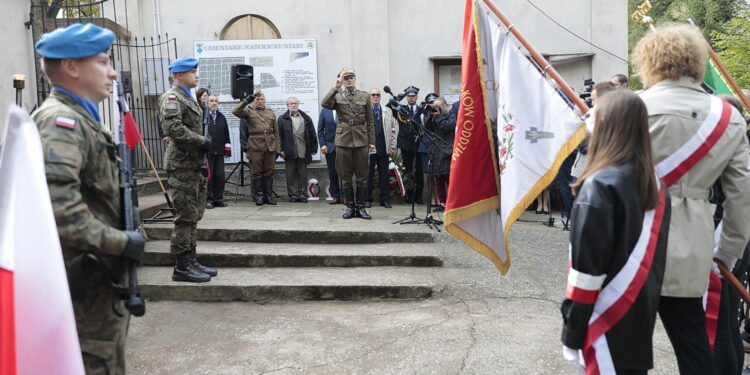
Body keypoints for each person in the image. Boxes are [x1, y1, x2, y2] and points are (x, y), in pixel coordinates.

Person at [633, 24, 750, 375]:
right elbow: (742, 195)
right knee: (697, 348)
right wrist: (727, 252)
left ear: (648, 60)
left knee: (627, 350)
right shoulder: (729, 118)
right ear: (697, 61)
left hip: (634, 246)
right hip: (693, 247)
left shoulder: (629, 107)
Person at [33, 22, 146, 373]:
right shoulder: (60, 122)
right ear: (71, 67)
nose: (113, 73)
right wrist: (121, 241)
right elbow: (60, 211)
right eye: (103, 62)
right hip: (83, 286)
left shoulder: (81, 118)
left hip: (96, 283)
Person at [561, 90, 670, 374]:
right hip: (637, 320)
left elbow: (586, 274)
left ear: (605, 124)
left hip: (604, 324)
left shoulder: (599, 186)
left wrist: (572, 334)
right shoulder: (655, 182)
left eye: (593, 113)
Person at [159, 57, 217, 283]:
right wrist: (201, 141)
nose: (197, 75)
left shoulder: (188, 98)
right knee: (184, 217)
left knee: (193, 215)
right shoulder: (172, 97)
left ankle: (191, 260)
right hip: (181, 165)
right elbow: (173, 128)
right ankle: (181, 267)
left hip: (193, 164)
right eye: (192, 72)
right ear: (179, 75)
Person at [320, 68, 375, 219]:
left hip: (361, 139)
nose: (349, 80)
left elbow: (370, 121)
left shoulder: (364, 96)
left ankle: (361, 207)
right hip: (343, 140)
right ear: (342, 80)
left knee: (362, 175)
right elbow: (324, 103)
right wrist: (335, 87)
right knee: (345, 175)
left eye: (351, 77)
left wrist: (371, 141)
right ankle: (350, 207)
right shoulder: (337, 95)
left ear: (355, 79)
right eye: (346, 78)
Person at [233, 89, 281, 206]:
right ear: (253, 101)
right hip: (255, 146)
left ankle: (268, 196)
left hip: (270, 146)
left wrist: (278, 149)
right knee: (256, 172)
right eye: (257, 99)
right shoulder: (249, 112)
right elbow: (235, 111)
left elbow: (276, 133)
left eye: (262, 99)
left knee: (269, 172)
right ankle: (258, 196)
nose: (260, 101)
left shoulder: (270, 113)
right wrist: (246, 101)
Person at [570, 81, 616, 182]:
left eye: (594, 99)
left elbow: (581, 139)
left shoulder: (609, 116)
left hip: (593, 173)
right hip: (586, 170)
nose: (592, 103)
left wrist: (576, 118)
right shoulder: (594, 114)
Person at [278, 96, 318, 202]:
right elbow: (279, 136)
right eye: (291, 104)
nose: (294, 105)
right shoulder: (282, 119)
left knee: (302, 174)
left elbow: (312, 133)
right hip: (288, 151)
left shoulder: (305, 117)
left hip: (303, 150)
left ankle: (302, 195)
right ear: (288, 105)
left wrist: (313, 147)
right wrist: (281, 150)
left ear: (298, 104)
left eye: (295, 103)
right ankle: (293, 195)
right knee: (290, 175)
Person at [366, 88, 397, 208]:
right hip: (369, 149)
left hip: (384, 147)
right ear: (369, 97)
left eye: (377, 95)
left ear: (380, 97)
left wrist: (393, 146)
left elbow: (394, 130)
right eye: (373, 94)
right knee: (369, 175)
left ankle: (384, 199)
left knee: (384, 175)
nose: (375, 97)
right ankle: (367, 199)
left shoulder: (387, 111)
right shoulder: (365, 111)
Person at [424, 97, 455, 211]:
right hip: (436, 151)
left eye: (437, 105)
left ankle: (451, 204)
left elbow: (445, 127)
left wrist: (438, 115)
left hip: (447, 151)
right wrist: (430, 115)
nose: (435, 107)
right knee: (439, 179)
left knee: (448, 179)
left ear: (443, 105)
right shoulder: (435, 115)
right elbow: (427, 128)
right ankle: (442, 203)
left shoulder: (451, 115)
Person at [397, 86, 424, 204]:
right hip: (405, 143)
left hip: (418, 142)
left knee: (419, 170)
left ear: (417, 97)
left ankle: (419, 196)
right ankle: (409, 195)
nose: (411, 98)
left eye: (413, 96)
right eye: (408, 96)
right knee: (407, 169)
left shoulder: (421, 109)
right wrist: (399, 98)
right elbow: (388, 107)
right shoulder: (401, 109)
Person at [205, 94, 231, 209]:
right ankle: (209, 200)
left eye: (216, 101)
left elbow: (226, 134)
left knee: (220, 176)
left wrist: (227, 150)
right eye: (211, 101)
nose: (214, 103)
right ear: (207, 103)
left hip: (220, 152)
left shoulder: (221, 117)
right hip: (208, 152)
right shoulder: (204, 117)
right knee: (209, 177)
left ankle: (218, 199)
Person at [318, 108, 342, 204]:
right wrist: (323, 144)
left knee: (345, 173)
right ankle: (336, 196)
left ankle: (345, 196)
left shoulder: (343, 108)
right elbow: (320, 130)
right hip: (330, 147)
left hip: (344, 146)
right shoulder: (325, 111)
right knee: (332, 173)